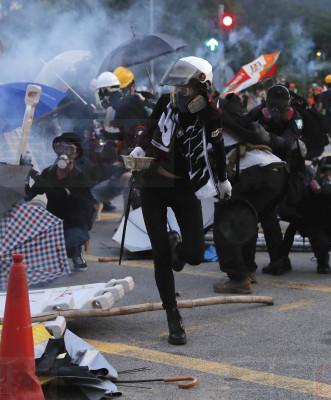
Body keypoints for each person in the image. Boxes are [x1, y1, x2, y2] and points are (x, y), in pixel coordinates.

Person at [128, 56, 231, 345]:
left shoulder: (211, 115)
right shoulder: (165, 103)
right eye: (178, 88)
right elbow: (149, 130)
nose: (180, 94)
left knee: (195, 254)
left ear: (203, 89)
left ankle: (178, 247)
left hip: (186, 186)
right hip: (154, 185)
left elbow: (218, 147)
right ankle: (173, 316)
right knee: (161, 255)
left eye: (186, 89)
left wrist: (222, 179)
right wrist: (139, 148)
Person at [212, 93, 287, 293]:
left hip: (257, 174)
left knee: (226, 222)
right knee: (250, 220)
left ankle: (238, 277)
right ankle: (250, 269)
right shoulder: (241, 122)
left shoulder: (215, 127)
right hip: (278, 172)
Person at [247, 84, 307, 275]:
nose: (276, 110)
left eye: (280, 106)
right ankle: (279, 260)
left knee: (290, 215)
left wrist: (266, 136)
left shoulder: (295, 117)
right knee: (267, 216)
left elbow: (289, 143)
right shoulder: (259, 112)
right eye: (273, 105)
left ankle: (280, 259)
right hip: (263, 170)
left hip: (288, 171)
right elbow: (242, 125)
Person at [26, 133, 95, 271]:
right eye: (59, 148)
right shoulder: (48, 173)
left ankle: (75, 253)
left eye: (69, 149)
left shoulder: (80, 177)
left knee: (71, 239)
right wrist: (24, 174)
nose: (64, 153)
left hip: (74, 221)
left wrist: (85, 231)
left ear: (76, 154)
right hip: (52, 220)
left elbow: (85, 208)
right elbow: (28, 195)